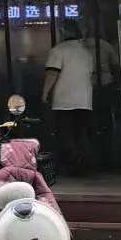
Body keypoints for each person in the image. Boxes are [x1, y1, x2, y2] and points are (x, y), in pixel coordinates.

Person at [42, 24, 96, 176]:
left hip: (64, 100)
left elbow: (52, 73)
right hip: (85, 99)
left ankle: (75, 157)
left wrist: (45, 92)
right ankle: (81, 163)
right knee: (80, 132)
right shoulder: (86, 52)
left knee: (63, 131)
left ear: (62, 32)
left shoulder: (59, 50)